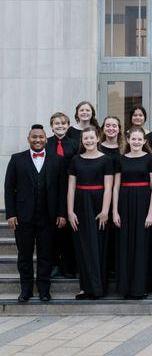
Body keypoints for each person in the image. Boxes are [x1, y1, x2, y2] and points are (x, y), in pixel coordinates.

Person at [4, 124, 67, 302]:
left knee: (46, 255)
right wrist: (10, 214)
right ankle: (26, 290)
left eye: (41, 137)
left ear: (46, 139)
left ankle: (44, 290)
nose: (38, 140)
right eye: (34, 137)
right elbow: (9, 188)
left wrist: (62, 213)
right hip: (23, 217)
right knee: (24, 255)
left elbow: (62, 189)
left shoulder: (57, 160)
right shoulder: (17, 159)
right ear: (28, 139)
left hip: (49, 217)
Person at [67, 127, 114, 299]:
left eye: (91, 138)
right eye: (85, 138)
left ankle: (98, 287)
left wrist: (105, 211)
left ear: (97, 139)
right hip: (80, 204)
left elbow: (108, 187)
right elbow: (71, 187)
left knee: (98, 246)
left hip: (99, 203)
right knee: (83, 247)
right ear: (82, 141)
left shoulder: (106, 160)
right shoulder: (75, 160)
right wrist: (70, 211)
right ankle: (85, 287)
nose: (88, 141)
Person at [113, 127, 152, 299]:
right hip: (124, 204)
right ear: (128, 139)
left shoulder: (150, 159)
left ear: (145, 141)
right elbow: (116, 187)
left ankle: (141, 287)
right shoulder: (120, 159)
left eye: (140, 140)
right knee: (125, 245)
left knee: (142, 244)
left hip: (144, 204)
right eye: (134, 139)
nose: (136, 142)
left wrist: (151, 213)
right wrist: (114, 211)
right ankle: (126, 288)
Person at [46, 112, 79, 279]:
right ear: (51, 126)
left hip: (69, 189)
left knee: (68, 231)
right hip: (50, 190)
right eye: (56, 123)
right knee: (52, 230)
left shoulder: (74, 144)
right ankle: (53, 264)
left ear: (68, 125)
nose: (60, 126)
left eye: (63, 123)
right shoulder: (46, 144)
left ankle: (68, 266)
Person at [99, 116, 124, 277]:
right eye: (107, 125)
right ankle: (104, 268)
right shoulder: (97, 147)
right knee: (103, 232)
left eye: (114, 126)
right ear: (103, 128)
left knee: (119, 231)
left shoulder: (126, 147)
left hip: (123, 194)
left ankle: (117, 267)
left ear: (119, 128)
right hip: (100, 193)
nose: (111, 128)